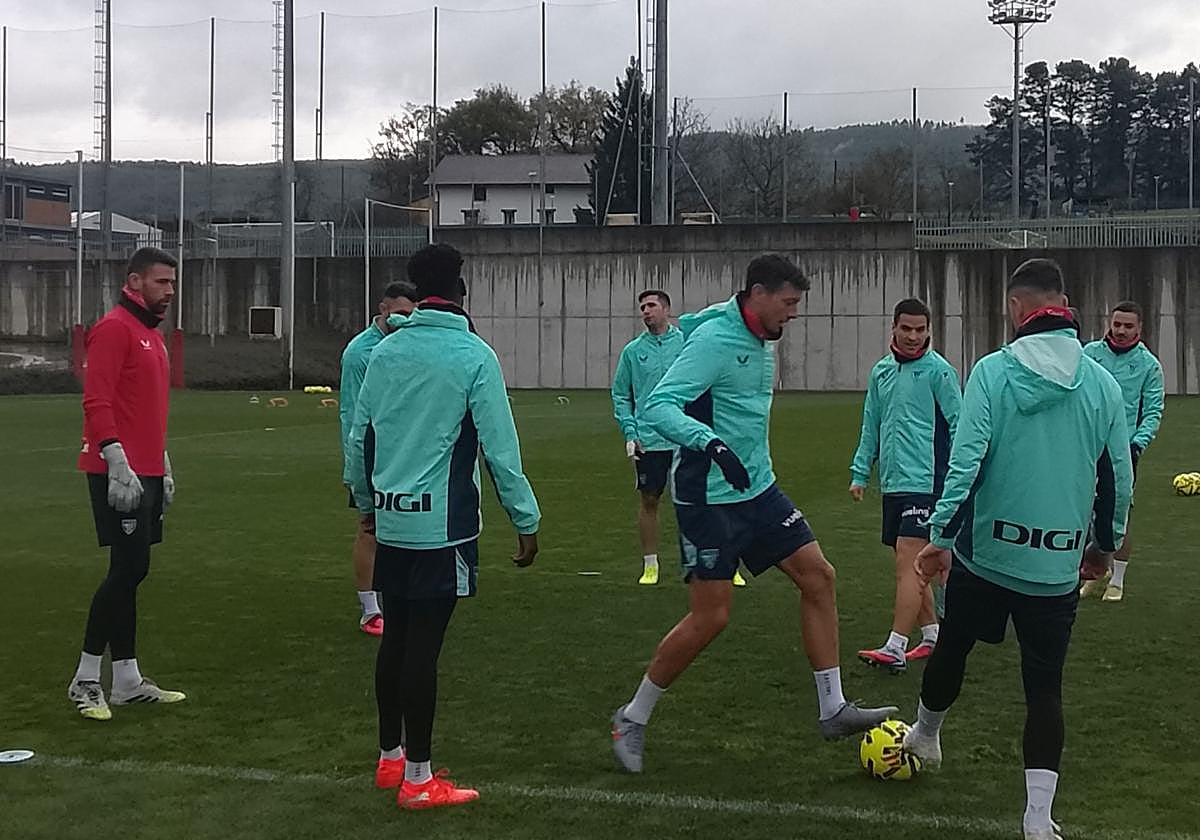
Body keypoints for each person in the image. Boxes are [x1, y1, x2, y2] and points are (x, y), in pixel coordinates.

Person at [609, 254, 898, 773]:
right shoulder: (717, 342)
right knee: (711, 617)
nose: (794, 314)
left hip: (758, 490)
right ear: (759, 293)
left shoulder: (756, 333)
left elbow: (695, 322)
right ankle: (632, 716)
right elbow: (658, 407)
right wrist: (711, 443)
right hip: (708, 501)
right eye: (788, 304)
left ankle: (832, 708)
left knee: (819, 578)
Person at [901, 258, 1133, 840]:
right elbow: (1117, 479)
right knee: (1044, 688)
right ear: (1064, 305)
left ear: (1015, 308)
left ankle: (925, 736)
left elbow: (966, 463)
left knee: (953, 648)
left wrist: (940, 540)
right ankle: (1037, 819)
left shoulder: (992, 371)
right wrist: (1101, 548)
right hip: (1056, 565)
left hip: (986, 556)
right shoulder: (1102, 383)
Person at [348, 242, 541, 810]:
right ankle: (419, 778)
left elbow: (362, 436)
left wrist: (366, 501)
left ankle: (389, 761)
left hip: (389, 520)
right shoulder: (473, 355)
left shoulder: (385, 352)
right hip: (443, 529)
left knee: (398, 641)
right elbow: (500, 451)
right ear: (461, 289)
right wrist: (525, 519)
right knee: (420, 651)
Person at [68, 247, 186, 721]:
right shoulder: (115, 328)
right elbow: (96, 401)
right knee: (125, 571)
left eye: (173, 283)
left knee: (132, 572)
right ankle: (84, 679)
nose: (170, 291)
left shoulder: (148, 335)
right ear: (134, 282)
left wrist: (163, 461)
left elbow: (145, 409)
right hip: (118, 474)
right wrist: (116, 459)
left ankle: (128, 680)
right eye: (162, 282)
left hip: (146, 471)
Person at [850, 298, 961, 673]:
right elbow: (872, 425)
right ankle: (932, 636)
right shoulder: (881, 372)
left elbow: (961, 427)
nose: (914, 337)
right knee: (915, 565)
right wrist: (860, 471)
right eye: (906, 329)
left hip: (929, 484)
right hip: (894, 484)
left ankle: (896, 646)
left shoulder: (940, 373)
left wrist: (958, 481)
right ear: (893, 328)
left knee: (910, 564)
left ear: (929, 330)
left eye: (920, 330)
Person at [612, 291, 748, 586]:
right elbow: (622, 394)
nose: (646, 312)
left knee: (710, 500)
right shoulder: (633, 352)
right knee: (650, 499)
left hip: (688, 438)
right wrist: (630, 432)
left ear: (666, 310)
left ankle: (727, 563)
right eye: (642, 307)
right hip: (650, 439)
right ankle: (650, 565)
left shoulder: (689, 344)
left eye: (651, 306)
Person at [339, 281, 418, 635]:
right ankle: (370, 610)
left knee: (406, 527)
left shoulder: (410, 345)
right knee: (369, 528)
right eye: (400, 314)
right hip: (371, 454)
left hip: (407, 453)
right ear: (383, 309)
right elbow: (354, 414)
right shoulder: (360, 352)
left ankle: (403, 596)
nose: (406, 321)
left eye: (412, 315)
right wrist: (356, 466)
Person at [1080, 301, 1163, 602]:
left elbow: (1153, 410)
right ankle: (1091, 570)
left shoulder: (1148, 365)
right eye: (1117, 324)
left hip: (1123, 451)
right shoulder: (1088, 355)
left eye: (1129, 326)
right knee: (1081, 510)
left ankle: (1117, 580)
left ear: (1140, 328)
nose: (1122, 330)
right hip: (1086, 447)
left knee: (1119, 514)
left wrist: (1137, 443)